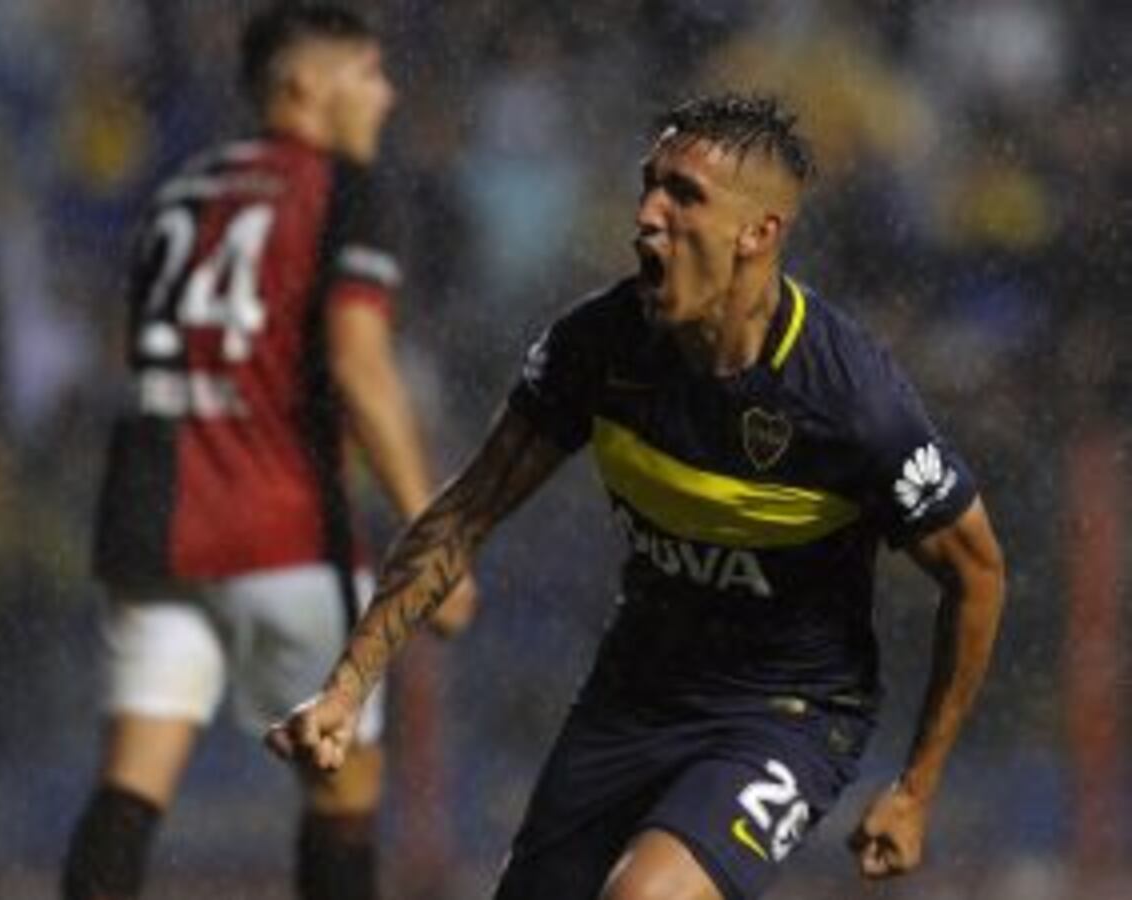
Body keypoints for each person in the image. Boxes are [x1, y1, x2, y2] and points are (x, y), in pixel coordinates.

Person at [268, 94, 1006, 900]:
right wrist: (346, 688)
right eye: (648, 185)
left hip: (785, 713)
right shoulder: (598, 345)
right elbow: (465, 512)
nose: (647, 215)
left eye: (683, 195)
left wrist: (916, 789)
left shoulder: (851, 401)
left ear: (759, 233)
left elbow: (978, 573)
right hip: (633, 692)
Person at [63, 5, 476, 899]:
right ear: (300, 87)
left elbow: (135, 348)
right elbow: (359, 364)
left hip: (151, 524)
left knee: (130, 789)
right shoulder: (343, 189)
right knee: (344, 789)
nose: (387, 92)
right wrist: (432, 529)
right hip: (282, 526)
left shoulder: (181, 190)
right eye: (365, 73)